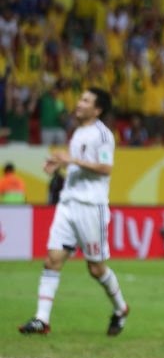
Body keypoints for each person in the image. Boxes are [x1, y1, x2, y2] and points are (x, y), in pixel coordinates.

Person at [19, 88, 129, 336]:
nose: (79, 103)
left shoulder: (103, 135)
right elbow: (78, 166)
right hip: (68, 203)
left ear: (97, 109)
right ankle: (41, 319)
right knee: (53, 259)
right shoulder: (79, 132)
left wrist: (71, 161)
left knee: (96, 269)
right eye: (80, 99)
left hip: (91, 207)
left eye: (85, 101)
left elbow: (105, 168)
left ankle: (121, 308)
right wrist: (60, 165)